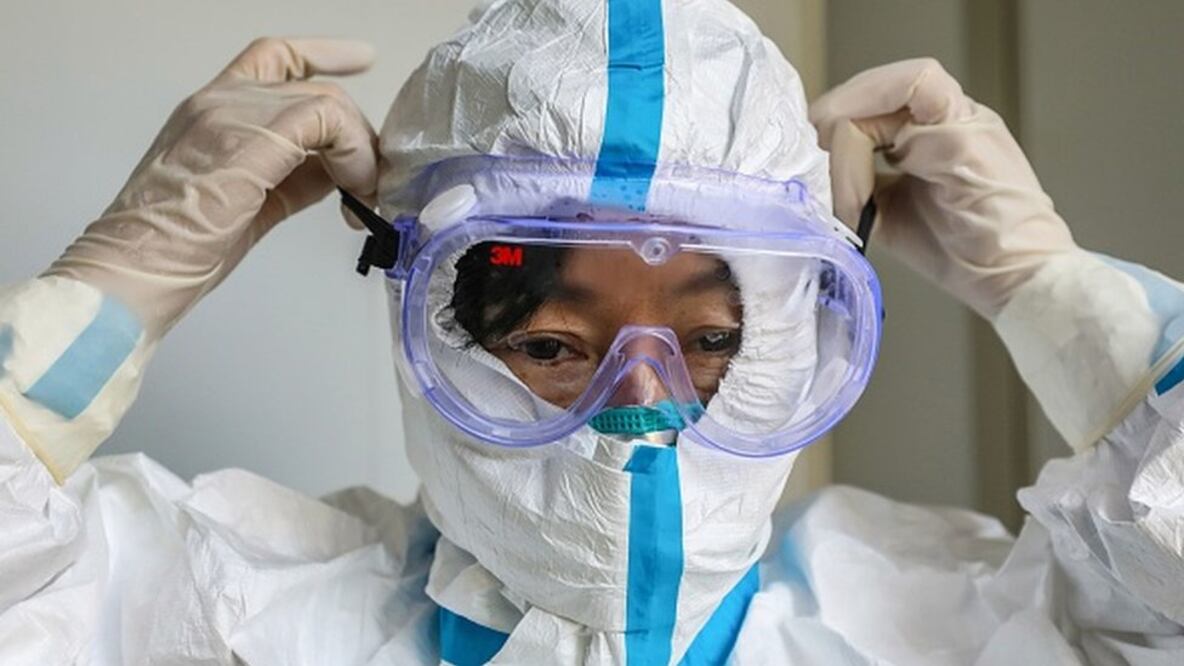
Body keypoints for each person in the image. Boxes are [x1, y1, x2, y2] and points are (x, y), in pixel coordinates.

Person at [2, 1, 1182, 664]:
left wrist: (1055, 292)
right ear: (439, 330)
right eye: (557, 345)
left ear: (787, 338)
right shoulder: (223, 605)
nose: (641, 403)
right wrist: (118, 277)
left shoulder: (939, 624)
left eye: (711, 340)